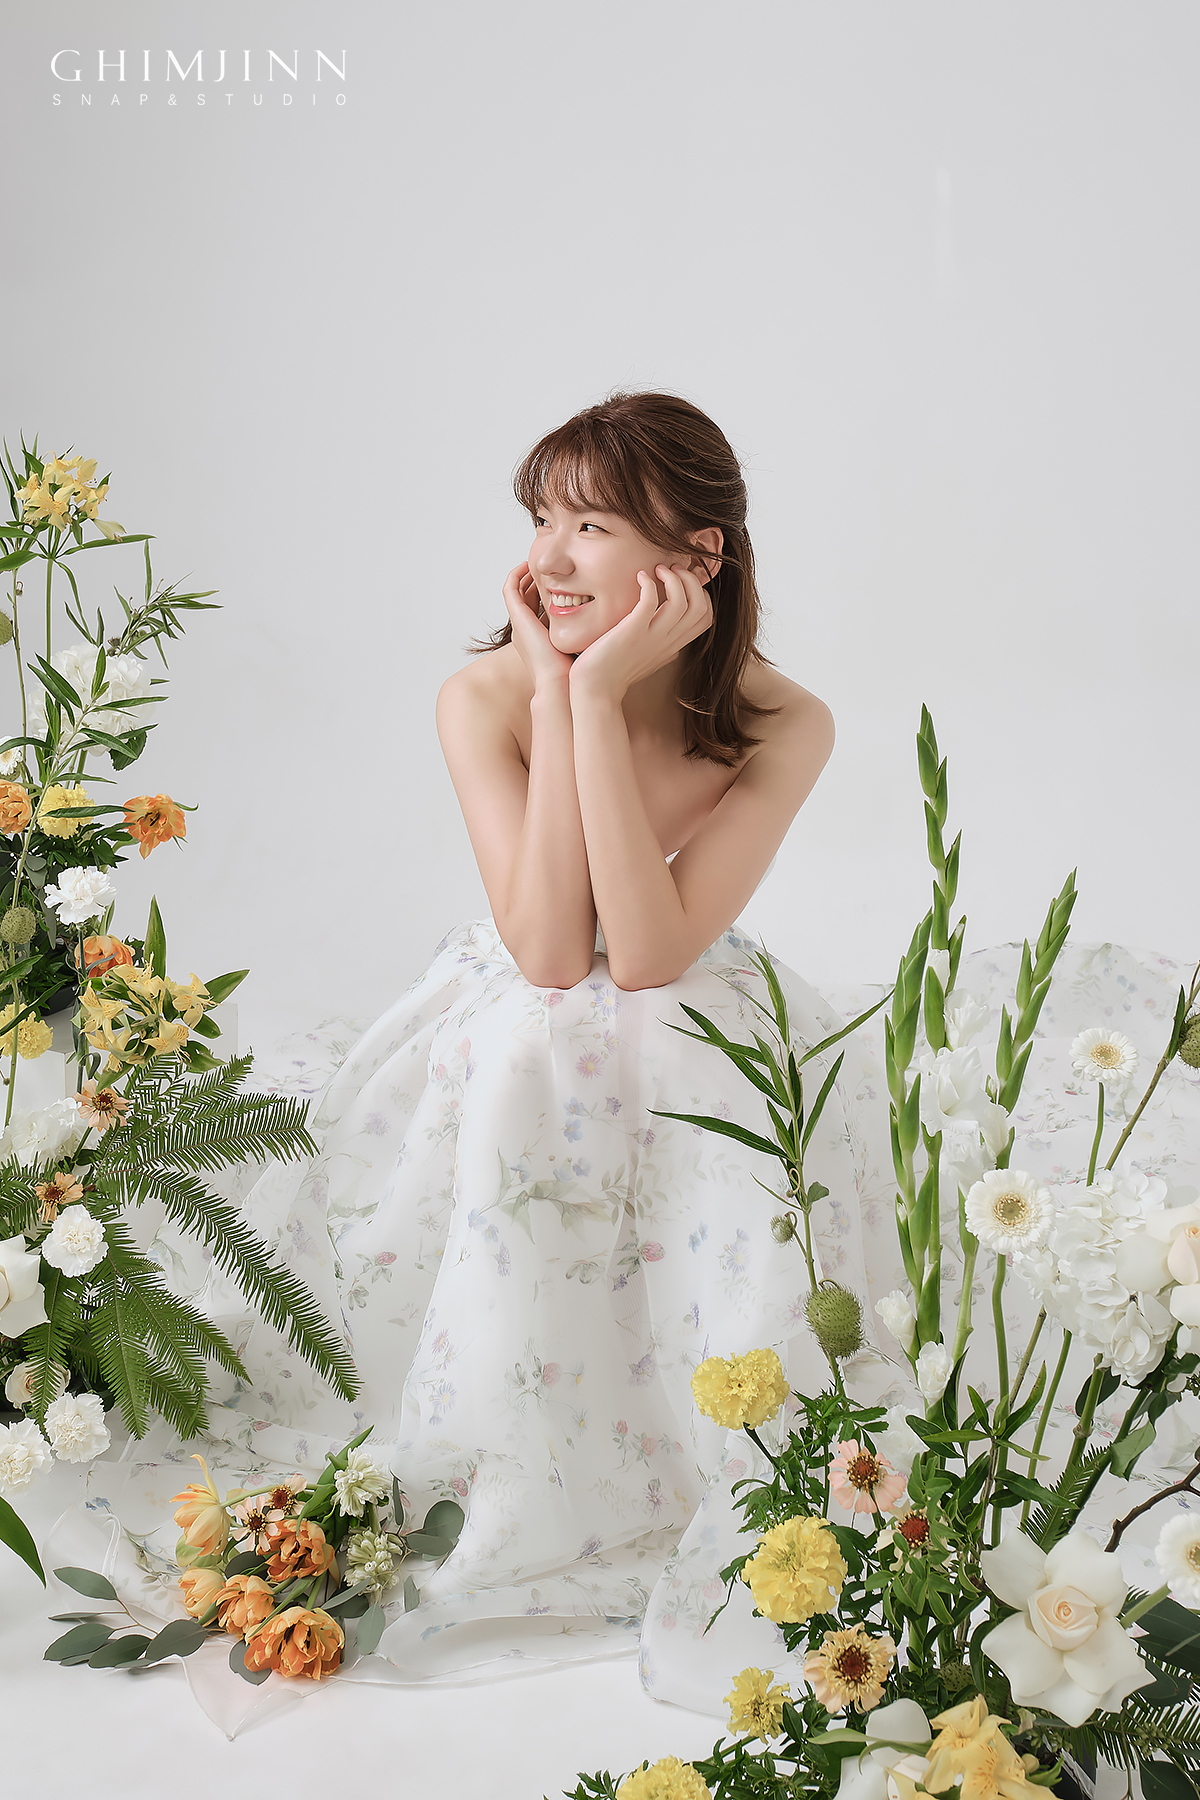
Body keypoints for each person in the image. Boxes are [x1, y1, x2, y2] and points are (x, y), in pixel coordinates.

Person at [206, 389, 882, 1681]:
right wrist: (570, 695)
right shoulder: (484, 695)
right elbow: (554, 952)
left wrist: (604, 693)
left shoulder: (786, 720)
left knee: (680, 1044)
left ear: (697, 557)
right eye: (540, 519)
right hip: (522, 991)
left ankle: (697, 1422)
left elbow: (655, 949)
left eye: (591, 526)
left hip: (683, 983)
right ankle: (520, 1434)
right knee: (533, 1043)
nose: (548, 559)